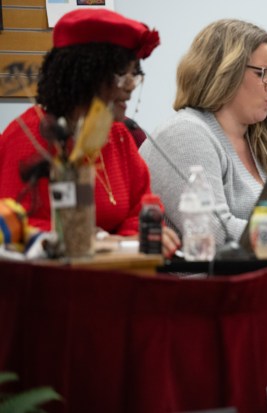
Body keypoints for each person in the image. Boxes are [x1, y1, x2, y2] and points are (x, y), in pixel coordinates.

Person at [0, 9, 180, 257]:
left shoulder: (118, 134)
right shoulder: (29, 135)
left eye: (134, 75)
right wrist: (107, 243)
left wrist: (129, 240)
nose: (130, 88)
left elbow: (143, 207)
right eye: (121, 76)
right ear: (84, 75)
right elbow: (19, 226)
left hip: (117, 275)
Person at [140, 19, 267, 246]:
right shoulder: (184, 135)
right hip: (204, 279)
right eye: (263, 73)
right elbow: (216, 234)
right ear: (225, 72)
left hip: (265, 274)